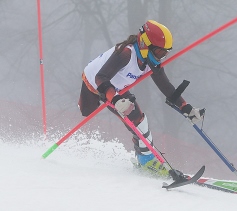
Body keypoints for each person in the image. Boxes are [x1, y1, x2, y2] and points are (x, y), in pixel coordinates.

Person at [78, 20, 204, 177]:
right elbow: (101, 78)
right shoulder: (126, 54)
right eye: (159, 52)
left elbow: (166, 87)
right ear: (145, 43)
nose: (161, 57)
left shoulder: (150, 62)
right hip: (94, 82)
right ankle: (147, 161)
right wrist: (116, 101)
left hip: (118, 88)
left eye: (165, 54)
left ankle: (147, 162)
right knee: (86, 111)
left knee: (139, 122)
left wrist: (186, 108)